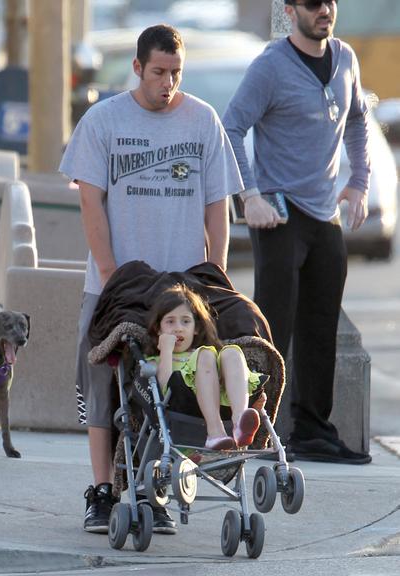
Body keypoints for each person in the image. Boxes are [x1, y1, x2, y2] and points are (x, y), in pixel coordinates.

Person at [59, 24, 243, 534]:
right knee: (103, 385)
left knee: (174, 387)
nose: (168, 82)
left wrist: (215, 278)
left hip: (180, 289)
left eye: (176, 73)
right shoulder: (103, 120)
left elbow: (217, 208)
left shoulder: (203, 120)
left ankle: (156, 489)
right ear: (137, 68)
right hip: (114, 286)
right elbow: (90, 203)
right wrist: (111, 274)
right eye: (159, 72)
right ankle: (101, 491)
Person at [223, 0, 372, 464]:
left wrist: (359, 183)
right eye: (312, 4)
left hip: (325, 216)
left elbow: (359, 119)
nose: (324, 10)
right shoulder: (270, 67)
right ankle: (259, 431)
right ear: (290, 11)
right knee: (274, 327)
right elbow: (232, 128)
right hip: (279, 216)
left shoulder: (346, 58)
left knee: (320, 328)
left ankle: (311, 430)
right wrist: (249, 197)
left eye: (329, 2)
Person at [146, 285, 261, 450]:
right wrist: (165, 350)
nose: (178, 327)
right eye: (170, 321)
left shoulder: (209, 354)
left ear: (196, 329)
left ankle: (239, 422)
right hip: (184, 403)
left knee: (232, 353)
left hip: (223, 399)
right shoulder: (157, 360)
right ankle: (215, 433)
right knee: (205, 354)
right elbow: (163, 388)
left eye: (185, 321)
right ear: (158, 329)